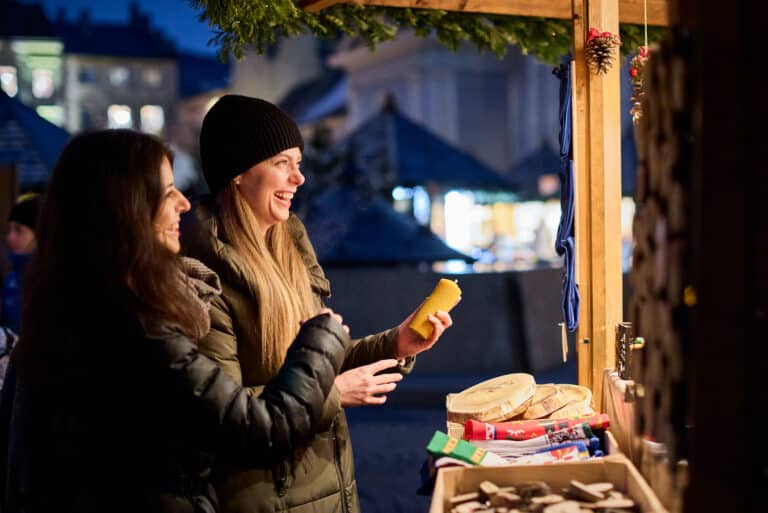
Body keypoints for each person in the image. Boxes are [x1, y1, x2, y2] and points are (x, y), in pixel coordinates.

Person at [0, 129, 354, 513]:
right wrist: (319, 340)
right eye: (167, 191)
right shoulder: (136, 328)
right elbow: (257, 430)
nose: (184, 203)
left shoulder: (65, 308)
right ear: (125, 206)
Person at [182, 95, 456, 513]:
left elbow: (316, 365)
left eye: (299, 162)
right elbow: (227, 418)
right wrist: (331, 393)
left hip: (325, 489)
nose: (299, 178)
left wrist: (396, 345)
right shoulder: (204, 276)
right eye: (282, 163)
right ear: (238, 173)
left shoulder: (289, 246)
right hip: (266, 498)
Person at [1, 194, 40, 334]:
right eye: (9, 229)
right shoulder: (10, 278)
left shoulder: (49, 279)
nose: (10, 237)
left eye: (18, 230)